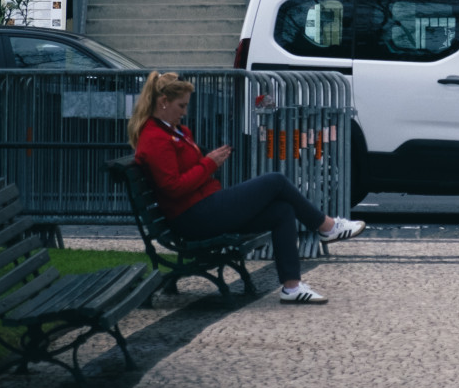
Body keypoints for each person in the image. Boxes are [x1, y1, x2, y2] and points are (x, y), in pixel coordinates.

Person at [129, 71, 365, 304]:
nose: (185, 112)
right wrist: (209, 163)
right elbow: (173, 187)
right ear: (163, 103)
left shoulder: (175, 132)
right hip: (193, 217)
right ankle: (327, 227)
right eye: (181, 106)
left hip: (203, 207)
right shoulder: (156, 139)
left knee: (282, 210)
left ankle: (292, 287)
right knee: (275, 181)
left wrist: (208, 162)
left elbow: (186, 175)